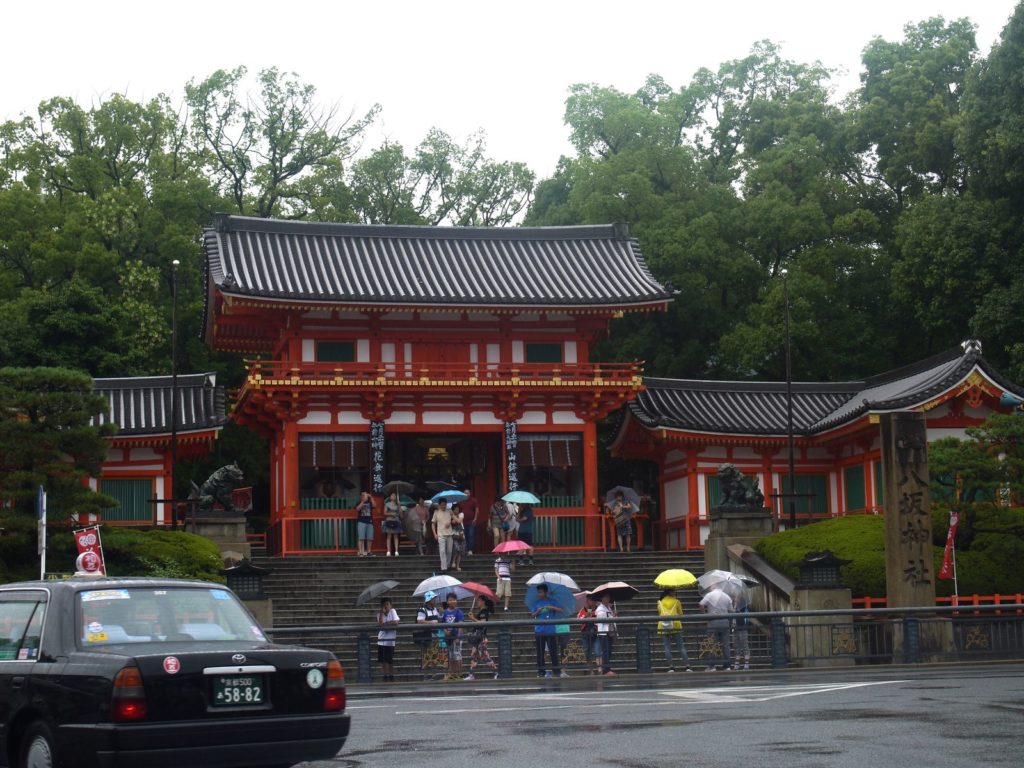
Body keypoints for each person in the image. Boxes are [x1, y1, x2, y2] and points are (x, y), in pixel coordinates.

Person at [530, 584, 567, 678]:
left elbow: (561, 610)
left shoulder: (552, 601)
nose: (539, 594)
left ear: (545, 592)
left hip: (550, 630)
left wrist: (552, 607)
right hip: (539, 630)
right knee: (540, 652)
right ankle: (541, 671)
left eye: (541, 592)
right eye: (538, 592)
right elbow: (532, 615)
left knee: (553, 651)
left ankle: (556, 671)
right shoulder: (536, 603)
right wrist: (538, 611)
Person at [699, 587, 734, 671]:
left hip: (713, 621)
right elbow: (731, 610)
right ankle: (727, 665)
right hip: (725, 622)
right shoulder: (726, 596)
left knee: (712, 644)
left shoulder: (710, 595)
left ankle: (712, 666)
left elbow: (701, 604)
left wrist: (705, 614)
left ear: (713, 587)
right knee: (725, 644)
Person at [464, 595, 498, 680]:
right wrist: (473, 617)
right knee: (474, 656)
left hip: (481, 638)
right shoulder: (482, 611)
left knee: (485, 656)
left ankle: (496, 672)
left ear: (483, 602)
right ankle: (471, 675)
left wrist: (472, 618)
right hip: (478, 638)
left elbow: (482, 623)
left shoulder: (484, 612)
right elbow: (478, 621)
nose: (477, 602)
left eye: (479, 601)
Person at [657, 589, 691, 673]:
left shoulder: (659, 602)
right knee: (681, 646)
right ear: (671, 592)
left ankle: (671, 667)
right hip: (675, 625)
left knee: (667, 647)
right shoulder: (677, 601)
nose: (675, 593)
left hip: (663, 626)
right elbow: (681, 614)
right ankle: (687, 666)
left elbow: (660, 612)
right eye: (674, 591)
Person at [415, 591, 443, 680]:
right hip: (427, 635)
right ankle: (426, 674)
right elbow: (419, 621)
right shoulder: (422, 609)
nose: (435, 600)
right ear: (429, 599)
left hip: (435, 634)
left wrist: (441, 613)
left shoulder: (434, 609)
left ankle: (433, 674)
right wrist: (430, 623)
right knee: (427, 655)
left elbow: (439, 619)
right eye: (433, 598)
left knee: (434, 654)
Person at [441, 592, 465, 680]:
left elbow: (461, 625)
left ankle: (459, 674)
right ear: (447, 601)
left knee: (457, 656)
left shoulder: (459, 612)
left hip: (456, 637)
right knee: (450, 657)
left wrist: (458, 637)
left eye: (454, 600)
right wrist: (445, 631)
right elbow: (442, 624)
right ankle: (451, 674)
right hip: (448, 637)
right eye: (450, 600)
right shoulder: (445, 612)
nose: (452, 602)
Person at [376, 597, 399, 682]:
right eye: (384, 605)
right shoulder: (379, 614)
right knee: (383, 661)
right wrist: (382, 613)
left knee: (390, 660)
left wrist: (387, 623)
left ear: (390, 605)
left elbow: (396, 621)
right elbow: (380, 624)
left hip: (390, 641)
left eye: (387, 604)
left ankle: (391, 675)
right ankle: (385, 676)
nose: (386, 606)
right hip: (381, 640)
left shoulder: (393, 612)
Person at [577, 593, 601, 675]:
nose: (587, 602)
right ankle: (591, 670)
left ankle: (600, 669)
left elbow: (601, 619)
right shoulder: (583, 610)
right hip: (585, 634)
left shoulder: (599, 610)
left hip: (596, 633)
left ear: (594, 601)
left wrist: (593, 616)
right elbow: (578, 620)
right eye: (587, 600)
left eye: (589, 600)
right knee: (587, 652)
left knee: (598, 651)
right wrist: (585, 616)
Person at [595, 592, 617, 675]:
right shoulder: (600, 608)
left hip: (609, 632)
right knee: (605, 651)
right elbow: (601, 617)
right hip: (603, 632)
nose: (608, 599)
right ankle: (606, 670)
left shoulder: (608, 607)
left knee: (609, 650)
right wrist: (611, 616)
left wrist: (613, 615)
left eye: (608, 597)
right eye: (606, 597)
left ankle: (607, 668)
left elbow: (610, 617)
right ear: (602, 598)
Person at [432, 498, 454, 572]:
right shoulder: (436, 512)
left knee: (449, 551)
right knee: (442, 551)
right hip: (441, 534)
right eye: (442, 505)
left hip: (449, 534)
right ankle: (443, 567)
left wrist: (450, 522)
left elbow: (455, 520)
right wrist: (435, 534)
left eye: (444, 505)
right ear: (439, 505)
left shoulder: (449, 511)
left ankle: (447, 565)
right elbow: (433, 524)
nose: (443, 506)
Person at [732, 593, 751, 670]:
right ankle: (737, 663)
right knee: (736, 645)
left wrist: (736, 604)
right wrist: (734, 604)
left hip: (742, 626)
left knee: (744, 645)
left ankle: (746, 663)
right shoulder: (732, 602)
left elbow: (742, 613)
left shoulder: (743, 601)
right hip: (735, 627)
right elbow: (731, 611)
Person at [383, 491, 404, 557]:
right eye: (392, 495)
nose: (393, 496)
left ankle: (396, 551)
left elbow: (401, 515)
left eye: (394, 496)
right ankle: (388, 551)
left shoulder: (397, 504)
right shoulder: (387, 504)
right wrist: (391, 514)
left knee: (396, 536)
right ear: (390, 497)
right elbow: (385, 513)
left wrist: (400, 507)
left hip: (396, 520)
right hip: (389, 520)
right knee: (389, 536)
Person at [355, 491, 375, 557]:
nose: (365, 496)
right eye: (363, 495)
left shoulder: (370, 502)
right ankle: (361, 552)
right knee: (361, 537)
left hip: (369, 521)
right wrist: (363, 501)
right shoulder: (359, 502)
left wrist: (371, 497)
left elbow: (375, 505)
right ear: (361, 496)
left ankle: (369, 551)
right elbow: (357, 509)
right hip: (361, 521)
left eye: (366, 495)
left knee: (370, 537)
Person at [460, 488, 479, 555]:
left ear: (470, 494)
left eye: (467, 493)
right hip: (463, 522)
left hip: (471, 521)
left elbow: (477, 509)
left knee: (471, 536)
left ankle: (470, 550)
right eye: (465, 493)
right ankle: (465, 549)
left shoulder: (473, 500)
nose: (466, 494)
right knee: (464, 536)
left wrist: (475, 518)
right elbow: (458, 510)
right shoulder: (461, 501)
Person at [449, 503, 466, 572]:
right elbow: (452, 522)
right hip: (455, 534)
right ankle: (453, 562)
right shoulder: (451, 516)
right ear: (453, 510)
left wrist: (453, 515)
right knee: (456, 548)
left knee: (460, 551)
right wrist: (454, 518)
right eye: (455, 510)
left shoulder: (461, 514)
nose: (457, 511)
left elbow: (459, 521)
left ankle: (458, 565)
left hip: (461, 533)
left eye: (458, 509)